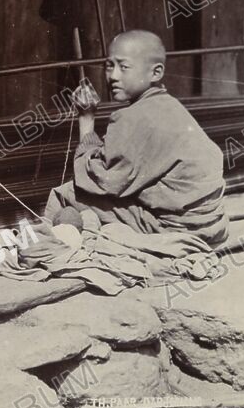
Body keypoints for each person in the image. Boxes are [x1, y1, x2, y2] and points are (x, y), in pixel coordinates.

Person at [45, 29, 228, 252]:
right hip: (211, 223)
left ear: (156, 72)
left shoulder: (134, 117)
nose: (113, 76)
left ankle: (48, 250)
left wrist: (86, 118)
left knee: (66, 194)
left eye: (124, 67)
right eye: (109, 66)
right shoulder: (168, 104)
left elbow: (97, 180)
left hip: (177, 228)